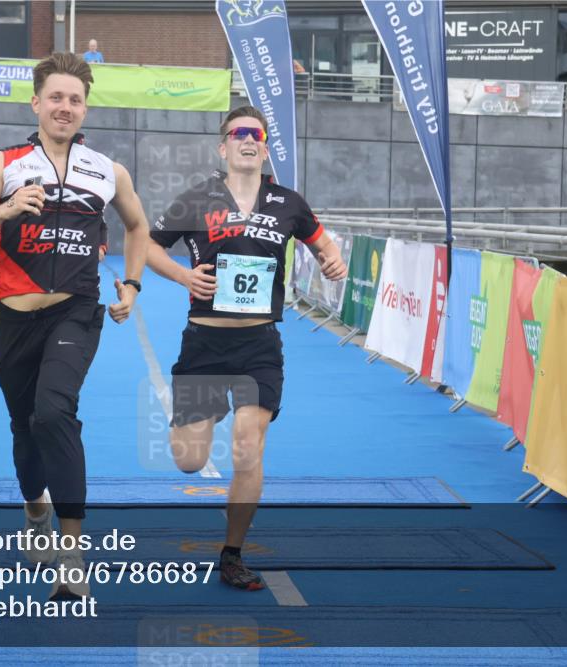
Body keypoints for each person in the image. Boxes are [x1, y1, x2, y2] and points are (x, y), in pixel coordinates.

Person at [0, 52, 149, 601]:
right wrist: (5, 210)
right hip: (13, 319)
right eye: (56, 97)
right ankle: (35, 507)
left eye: (75, 99)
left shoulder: (109, 171)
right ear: (36, 102)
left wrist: (132, 284)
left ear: (85, 109)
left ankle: (71, 553)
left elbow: (138, 226)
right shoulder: (5, 163)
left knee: (55, 412)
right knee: (24, 425)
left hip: (76, 311)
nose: (65, 107)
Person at [146, 105, 347, 591]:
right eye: (239, 133)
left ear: (264, 147)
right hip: (203, 344)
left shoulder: (287, 202)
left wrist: (332, 261)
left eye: (257, 134)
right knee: (189, 460)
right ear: (223, 147)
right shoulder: (196, 198)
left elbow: (324, 244)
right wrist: (181, 275)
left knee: (247, 449)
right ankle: (208, 409)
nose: (248, 139)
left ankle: (232, 553)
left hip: (259, 343)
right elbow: (149, 246)